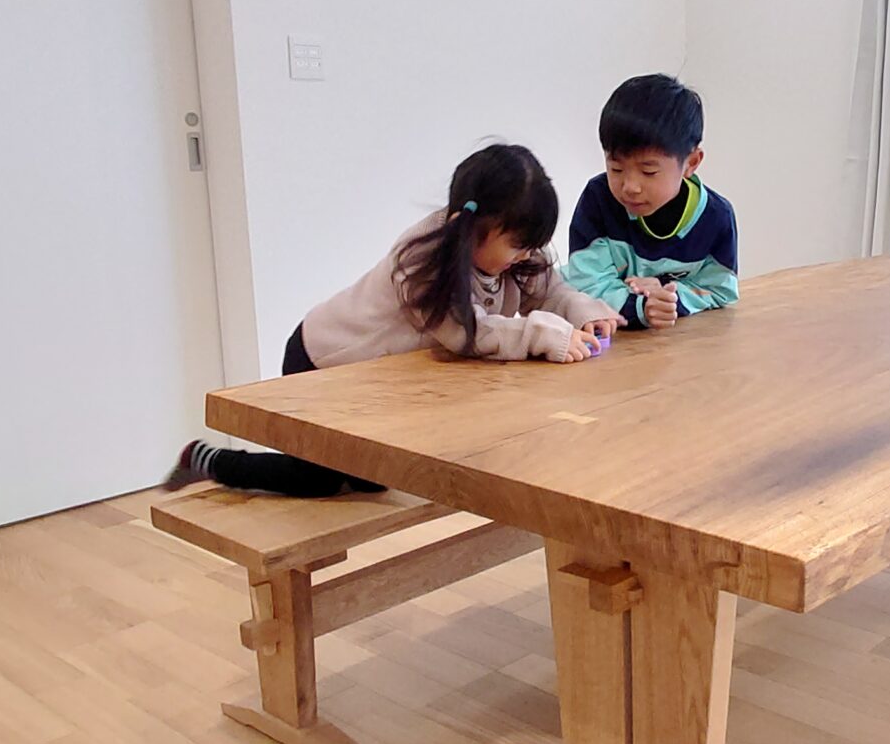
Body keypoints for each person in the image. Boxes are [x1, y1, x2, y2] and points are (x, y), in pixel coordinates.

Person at [163, 142, 617, 496]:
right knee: (317, 480)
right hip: (321, 363)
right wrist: (541, 334)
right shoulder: (420, 261)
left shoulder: (511, 253)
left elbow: (549, 288)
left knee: (372, 479)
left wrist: (580, 310)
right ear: (470, 228)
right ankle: (205, 459)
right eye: (518, 244)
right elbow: (468, 333)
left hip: (378, 379)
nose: (526, 255)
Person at [561, 74, 739, 329]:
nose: (630, 187)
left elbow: (720, 289)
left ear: (691, 163)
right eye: (616, 168)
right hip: (601, 335)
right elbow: (587, 283)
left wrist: (667, 296)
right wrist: (641, 307)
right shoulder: (598, 199)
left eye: (648, 172)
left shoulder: (716, 218)